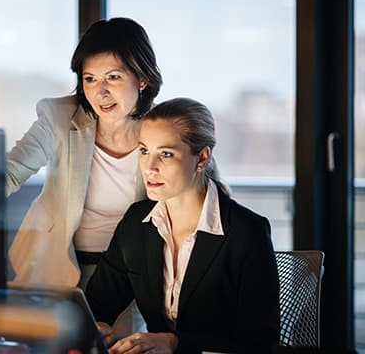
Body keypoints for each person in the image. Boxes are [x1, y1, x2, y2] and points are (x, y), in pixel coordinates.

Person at [85, 98, 280, 353]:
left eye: (166, 154)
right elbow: (98, 304)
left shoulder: (246, 232)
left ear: (201, 158)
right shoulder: (137, 223)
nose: (150, 167)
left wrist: (176, 344)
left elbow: (260, 344)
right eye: (144, 151)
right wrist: (96, 325)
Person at [5, 17, 162, 333]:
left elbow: (208, 195)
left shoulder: (165, 129)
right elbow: (10, 173)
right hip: (56, 265)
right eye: (90, 79)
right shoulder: (60, 117)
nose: (100, 92)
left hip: (132, 276)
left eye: (113, 77)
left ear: (142, 79)